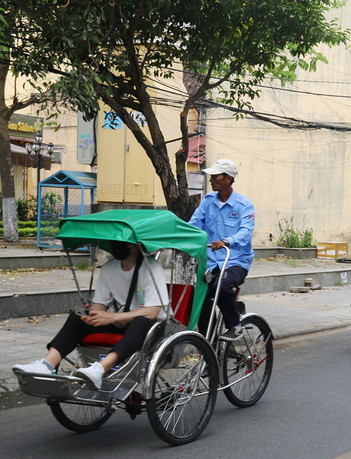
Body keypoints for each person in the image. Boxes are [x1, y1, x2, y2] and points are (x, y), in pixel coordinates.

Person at [12, 241, 167, 389]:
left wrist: (113, 317)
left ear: (136, 246)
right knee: (78, 317)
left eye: (124, 243)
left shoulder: (152, 267)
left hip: (152, 328)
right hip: (124, 323)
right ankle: (47, 366)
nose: (117, 245)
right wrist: (92, 314)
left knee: (140, 321)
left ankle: (99, 370)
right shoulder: (109, 268)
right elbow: (99, 306)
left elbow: (152, 312)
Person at [188, 158, 255, 341]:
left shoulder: (244, 205)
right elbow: (194, 225)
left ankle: (235, 325)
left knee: (222, 286)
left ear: (227, 178)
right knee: (200, 298)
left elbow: (245, 233)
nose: (211, 180)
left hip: (235, 261)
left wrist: (226, 241)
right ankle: (208, 343)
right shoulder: (208, 201)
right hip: (211, 263)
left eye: (215, 176)